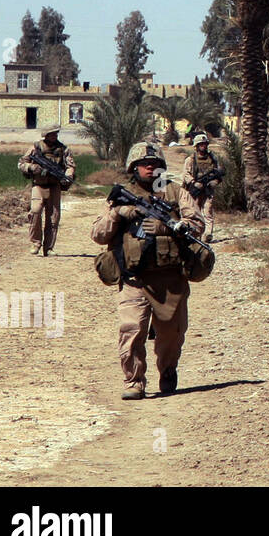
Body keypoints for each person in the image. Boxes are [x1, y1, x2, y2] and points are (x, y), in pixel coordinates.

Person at [90, 142, 206, 401]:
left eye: (154, 164)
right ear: (134, 167)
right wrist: (118, 215)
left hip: (170, 280)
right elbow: (97, 234)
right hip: (134, 279)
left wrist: (168, 227)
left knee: (170, 337)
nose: (149, 167)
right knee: (131, 328)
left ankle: (168, 370)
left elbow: (198, 224)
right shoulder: (120, 196)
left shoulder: (176, 193)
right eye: (144, 164)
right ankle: (134, 381)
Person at [17, 125, 75, 256]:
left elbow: (70, 166)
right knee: (35, 211)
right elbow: (21, 163)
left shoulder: (63, 149)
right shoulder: (35, 148)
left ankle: (48, 248)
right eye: (52, 134)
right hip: (39, 185)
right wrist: (32, 168)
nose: (55, 136)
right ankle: (35, 243)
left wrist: (67, 176)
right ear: (46, 135)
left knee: (53, 218)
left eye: (56, 134)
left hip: (55, 186)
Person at [181, 133, 221, 243]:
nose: (203, 146)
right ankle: (195, 234)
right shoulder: (191, 159)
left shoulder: (213, 158)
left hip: (208, 190)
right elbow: (186, 174)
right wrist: (194, 182)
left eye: (205, 144)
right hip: (195, 189)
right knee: (194, 212)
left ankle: (207, 234)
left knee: (208, 212)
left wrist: (215, 181)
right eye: (201, 144)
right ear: (196, 146)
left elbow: (219, 173)